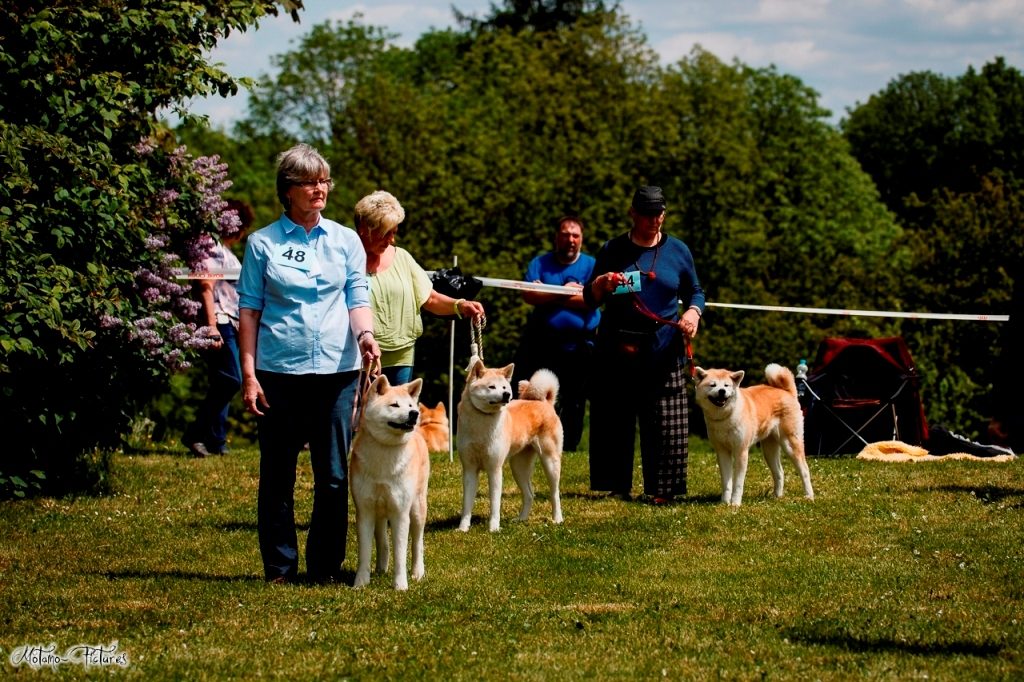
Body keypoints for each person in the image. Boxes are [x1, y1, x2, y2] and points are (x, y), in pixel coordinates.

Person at [237, 144, 381, 585]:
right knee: (277, 476)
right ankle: (280, 568)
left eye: (324, 180)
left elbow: (357, 298)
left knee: (335, 476)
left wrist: (366, 336)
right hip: (279, 372)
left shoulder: (344, 241)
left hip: (336, 374)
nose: (320, 188)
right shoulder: (262, 243)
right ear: (288, 189)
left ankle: (324, 567)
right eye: (310, 181)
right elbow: (249, 311)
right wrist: (248, 374)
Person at [582, 186, 705, 504]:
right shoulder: (612, 249)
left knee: (666, 419)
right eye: (648, 214)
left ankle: (664, 489)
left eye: (660, 214)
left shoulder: (678, 250)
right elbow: (589, 298)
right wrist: (601, 284)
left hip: (663, 347)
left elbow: (695, 291)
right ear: (633, 214)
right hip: (617, 345)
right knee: (613, 416)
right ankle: (615, 484)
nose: (655, 220)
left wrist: (693, 312)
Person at [354, 190, 484, 386]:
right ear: (365, 229)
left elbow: (430, 299)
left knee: (399, 416)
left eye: (394, 232)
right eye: (385, 233)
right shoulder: (346, 260)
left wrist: (460, 305)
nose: (391, 240)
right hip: (359, 357)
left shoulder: (403, 257)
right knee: (357, 416)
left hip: (401, 356)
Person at [513, 215, 600, 451]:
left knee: (575, 399)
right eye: (565, 234)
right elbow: (529, 294)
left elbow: (592, 301)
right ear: (556, 237)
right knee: (535, 392)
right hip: (543, 341)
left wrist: (548, 295)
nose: (570, 239)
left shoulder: (593, 265)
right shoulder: (540, 263)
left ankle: (568, 447)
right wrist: (565, 292)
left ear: (581, 239)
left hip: (582, 344)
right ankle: (532, 441)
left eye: (575, 235)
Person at [182, 199, 254, 458]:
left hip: (229, 322)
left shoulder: (223, 250)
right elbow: (206, 286)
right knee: (231, 379)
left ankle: (216, 441)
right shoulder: (211, 246)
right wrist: (211, 326)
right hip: (219, 321)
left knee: (221, 380)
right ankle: (195, 434)